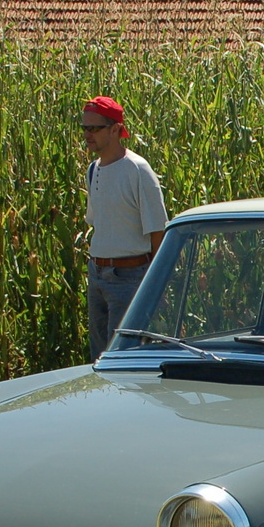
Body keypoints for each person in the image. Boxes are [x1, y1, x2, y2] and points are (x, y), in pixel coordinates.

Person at [81, 96, 168, 358]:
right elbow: (99, 223)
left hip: (130, 278)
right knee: (99, 359)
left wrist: (155, 286)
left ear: (116, 129)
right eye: (85, 128)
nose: (88, 135)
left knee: (122, 359)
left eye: (95, 128)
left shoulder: (138, 170)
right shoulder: (93, 169)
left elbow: (158, 232)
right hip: (98, 275)